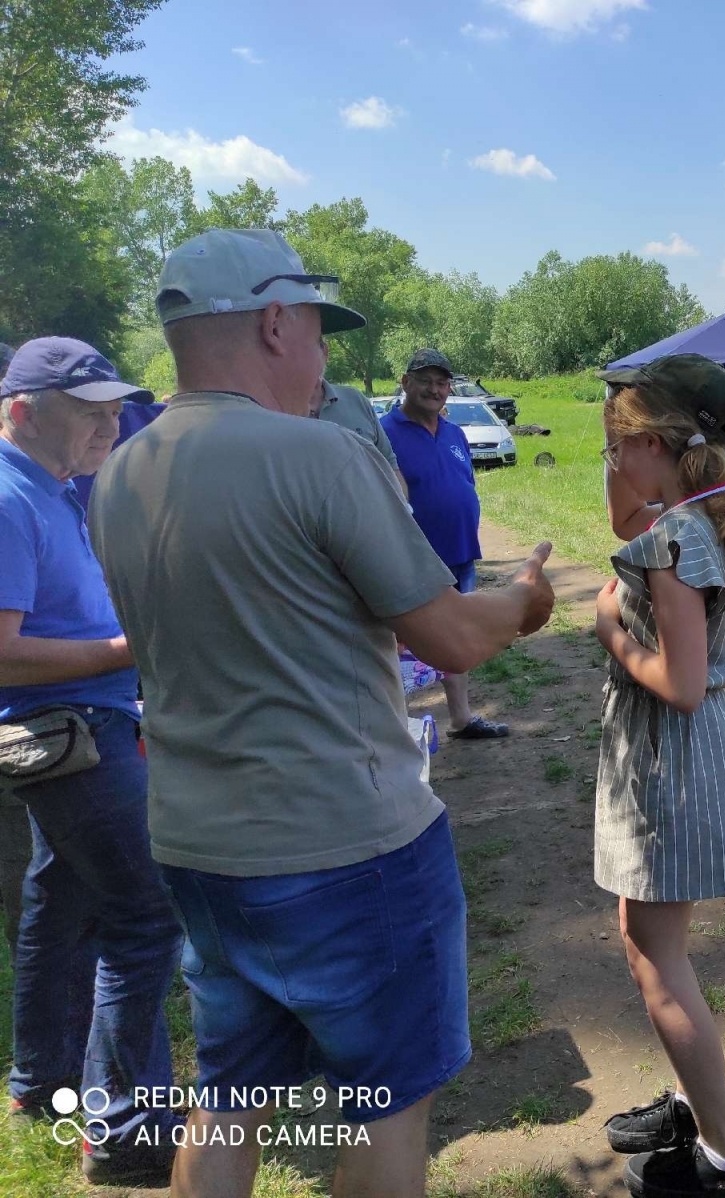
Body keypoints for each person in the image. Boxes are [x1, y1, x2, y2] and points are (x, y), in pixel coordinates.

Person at [89, 228, 557, 1198]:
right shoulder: (319, 457)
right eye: (315, 329)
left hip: (199, 847)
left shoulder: (121, 474)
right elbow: (455, 638)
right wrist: (525, 599)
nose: (325, 355)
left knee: (228, 1096)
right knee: (384, 1108)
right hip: (348, 845)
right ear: (271, 322)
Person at [0, 337, 184, 1187]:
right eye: (90, 408)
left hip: (77, 729)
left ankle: (39, 1081)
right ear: (24, 411)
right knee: (145, 920)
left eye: (116, 405)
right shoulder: (10, 495)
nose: (112, 422)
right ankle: (125, 1129)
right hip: (70, 736)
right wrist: (126, 649)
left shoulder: (54, 487)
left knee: (61, 898)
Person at [589, 354, 725, 1198]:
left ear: (654, 442)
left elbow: (684, 686)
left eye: (617, 445)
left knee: (657, 959)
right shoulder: (704, 517)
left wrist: (609, 633)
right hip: (677, 763)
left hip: (670, 760)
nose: (611, 463)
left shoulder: (671, 543)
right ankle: (695, 1104)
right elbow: (629, 506)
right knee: (650, 941)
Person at [382, 348, 508, 739]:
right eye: (425, 381)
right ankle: (394, 730)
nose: (434, 390)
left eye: (441, 383)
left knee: (457, 638)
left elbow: (463, 482)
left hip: (459, 552)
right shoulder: (383, 432)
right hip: (413, 560)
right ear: (405, 383)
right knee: (401, 649)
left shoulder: (453, 432)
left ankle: (462, 718)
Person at [312, 375, 401, 478]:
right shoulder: (289, 415)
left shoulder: (355, 399)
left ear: (326, 358)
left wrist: (400, 494)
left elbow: (389, 464)